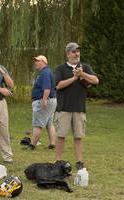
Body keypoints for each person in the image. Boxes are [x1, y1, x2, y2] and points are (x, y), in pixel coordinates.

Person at [53, 42, 99, 170]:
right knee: (61, 136)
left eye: (78, 51)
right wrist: (74, 78)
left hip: (79, 108)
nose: (76, 54)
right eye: (73, 52)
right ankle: (58, 160)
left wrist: (82, 74)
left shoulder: (84, 67)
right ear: (68, 54)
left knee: (78, 137)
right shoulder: (60, 69)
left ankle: (79, 161)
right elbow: (58, 85)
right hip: (64, 108)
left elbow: (95, 80)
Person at [24, 55, 57, 151]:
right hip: (51, 100)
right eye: (35, 61)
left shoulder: (45, 72)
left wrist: (43, 100)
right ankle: (52, 144)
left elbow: (46, 88)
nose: (36, 63)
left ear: (44, 62)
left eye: (38, 61)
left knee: (37, 124)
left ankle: (32, 145)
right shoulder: (46, 72)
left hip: (44, 100)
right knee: (49, 123)